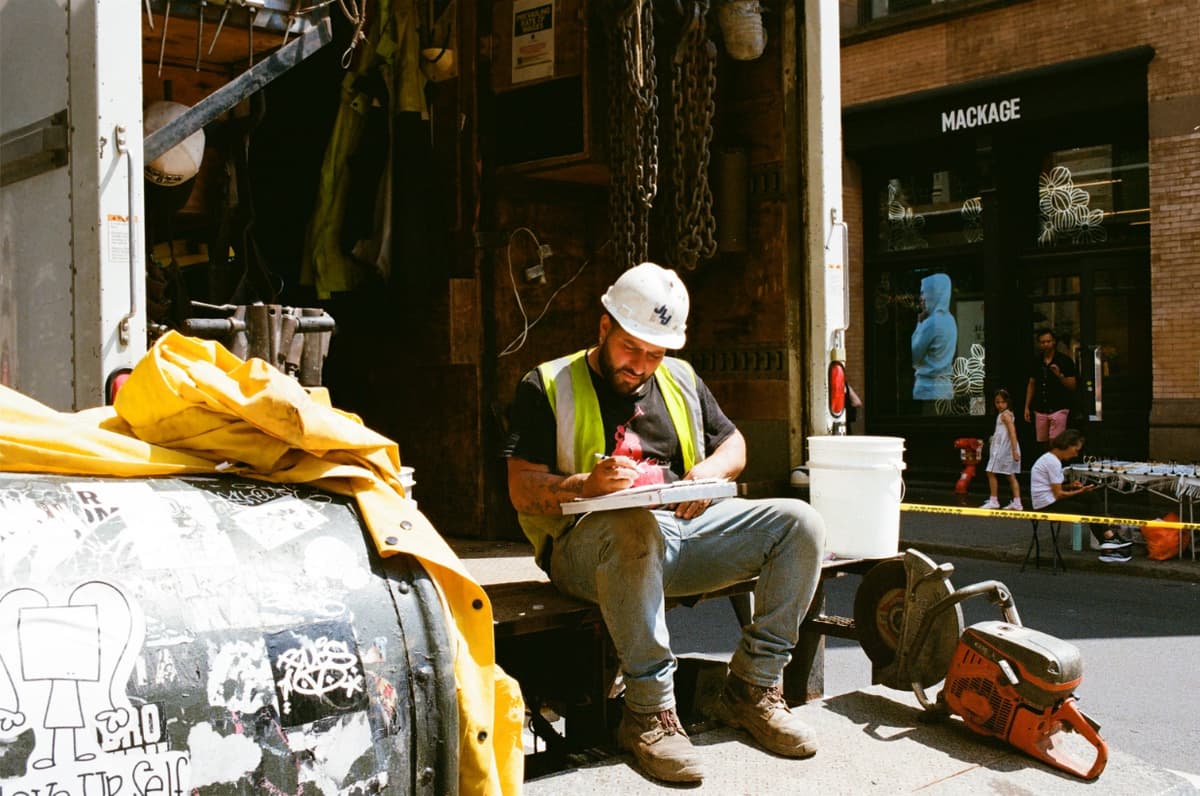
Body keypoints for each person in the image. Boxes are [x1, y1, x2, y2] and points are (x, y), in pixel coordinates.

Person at [503, 262, 827, 784]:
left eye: (656, 353)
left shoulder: (679, 378)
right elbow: (521, 487)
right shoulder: (546, 384)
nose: (642, 365)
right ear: (604, 327)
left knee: (801, 524)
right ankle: (649, 715)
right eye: (632, 348)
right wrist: (584, 485)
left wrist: (707, 474)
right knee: (634, 528)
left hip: (679, 535)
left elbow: (735, 445)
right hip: (586, 551)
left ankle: (752, 688)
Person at [1029, 429, 1132, 562]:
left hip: (1048, 499)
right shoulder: (1052, 462)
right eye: (1076, 450)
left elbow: (1052, 487)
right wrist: (1080, 491)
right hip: (1046, 505)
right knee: (1088, 508)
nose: (1076, 454)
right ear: (1068, 445)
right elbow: (1059, 494)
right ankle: (1108, 544)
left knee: (1091, 497)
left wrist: (1071, 486)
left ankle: (1108, 541)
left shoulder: (1050, 459)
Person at [1024, 328, 1077, 449]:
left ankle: (1056, 466)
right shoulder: (1036, 361)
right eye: (1042, 342)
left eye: (1048, 341)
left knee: (1056, 442)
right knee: (1043, 442)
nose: (1046, 345)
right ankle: (1047, 465)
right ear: (1039, 344)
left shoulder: (1064, 360)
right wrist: (1027, 406)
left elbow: (1073, 385)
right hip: (1041, 408)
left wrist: (1060, 376)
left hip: (1059, 407)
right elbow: (1031, 383)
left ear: (1054, 342)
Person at [911, 273, 957, 401]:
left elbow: (914, 357)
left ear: (933, 294)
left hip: (928, 390)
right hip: (945, 388)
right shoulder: (950, 319)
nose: (921, 298)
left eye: (923, 293)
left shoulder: (931, 323)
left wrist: (919, 324)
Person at [980, 388, 1022, 510]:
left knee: (991, 471)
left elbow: (1012, 432)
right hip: (1005, 447)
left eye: (1002, 402)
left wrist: (1014, 450)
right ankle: (1017, 502)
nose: (1000, 405)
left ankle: (994, 500)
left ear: (1007, 402)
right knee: (1010, 475)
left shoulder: (1005, 415)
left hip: (1003, 448)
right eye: (997, 402)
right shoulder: (1005, 414)